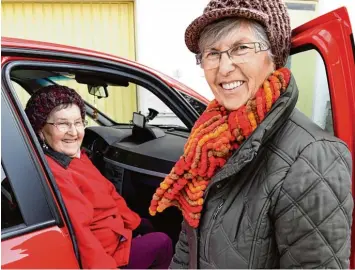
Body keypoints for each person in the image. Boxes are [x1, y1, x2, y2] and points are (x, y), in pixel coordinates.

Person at [149, 0, 353, 268]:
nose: (223, 68)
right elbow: (188, 243)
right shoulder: (208, 139)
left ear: (274, 55)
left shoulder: (312, 157)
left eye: (241, 48)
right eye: (212, 53)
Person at [25, 85, 173, 269]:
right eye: (62, 124)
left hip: (116, 233)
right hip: (108, 253)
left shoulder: (77, 156)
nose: (73, 132)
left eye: (78, 122)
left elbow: (109, 192)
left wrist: (134, 223)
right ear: (40, 130)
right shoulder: (56, 173)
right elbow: (81, 235)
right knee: (163, 241)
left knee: (146, 224)